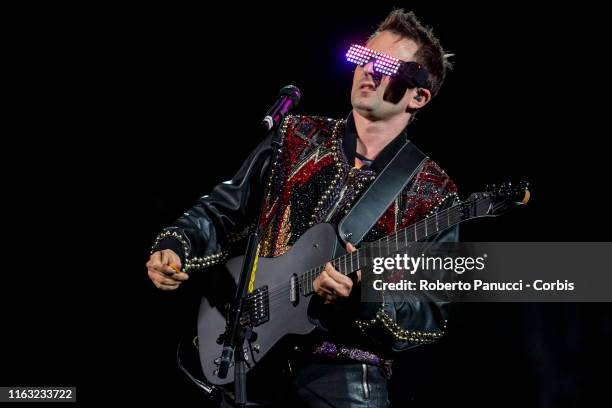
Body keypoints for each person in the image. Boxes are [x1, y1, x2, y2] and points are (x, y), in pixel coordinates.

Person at [147, 9, 458, 407]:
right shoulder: (295, 136)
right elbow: (223, 208)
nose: (367, 69)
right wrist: (178, 245)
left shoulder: (434, 192)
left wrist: (365, 296)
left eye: (385, 65)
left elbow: (429, 315)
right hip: (251, 358)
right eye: (361, 56)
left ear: (418, 96)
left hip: (345, 375)